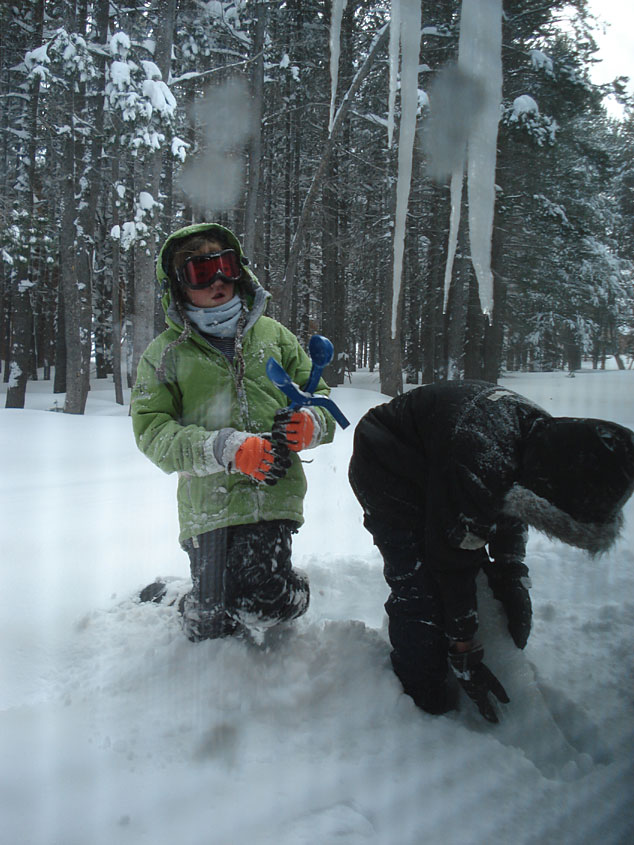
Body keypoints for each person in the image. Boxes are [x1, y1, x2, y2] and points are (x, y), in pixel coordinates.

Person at [348, 380, 634, 722]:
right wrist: (463, 647)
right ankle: (423, 706)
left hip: (444, 457)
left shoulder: (545, 444)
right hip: (386, 458)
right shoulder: (484, 454)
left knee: (462, 551)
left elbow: (512, 503)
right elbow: (452, 559)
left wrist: (512, 572)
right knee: (420, 587)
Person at [131, 222, 335, 642]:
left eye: (226, 266)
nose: (218, 280)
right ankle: (177, 598)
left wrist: (311, 424)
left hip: (270, 496)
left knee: (262, 602)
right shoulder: (164, 354)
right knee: (210, 623)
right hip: (207, 503)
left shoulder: (274, 336)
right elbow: (152, 431)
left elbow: (320, 397)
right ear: (179, 284)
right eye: (201, 271)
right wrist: (223, 448)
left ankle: (290, 592)